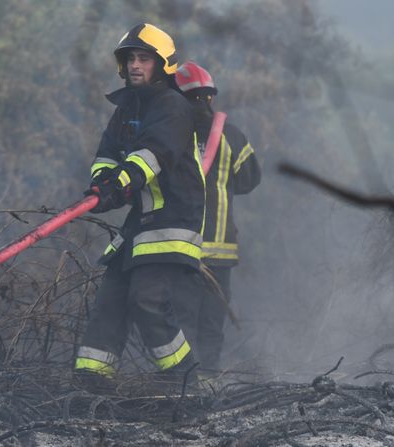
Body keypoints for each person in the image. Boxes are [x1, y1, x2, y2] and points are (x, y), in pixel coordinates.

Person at [73, 24, 205, 393]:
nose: (135, 65)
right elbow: (107, 153)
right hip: (140, 224)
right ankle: (90, 384)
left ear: (162, 64)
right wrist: (101, 184)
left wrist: (120, 183)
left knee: (146, 299)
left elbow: (153, 154)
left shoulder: (173, 107)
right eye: (130, 58)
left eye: (144, 58)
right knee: (109, 302)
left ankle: (183, 380)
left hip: (172, 221)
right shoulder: (126, 108)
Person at [174, 61, 261, 373]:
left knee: (182, 322)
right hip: (218, 251)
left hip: (180, 249)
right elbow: (250, 179)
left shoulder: (169, 136)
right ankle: (204, 380)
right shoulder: (231, 136)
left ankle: (183, 383)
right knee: (209, 323)